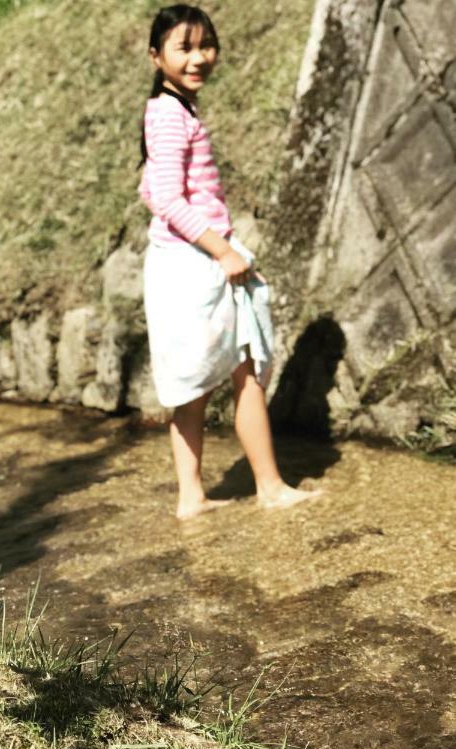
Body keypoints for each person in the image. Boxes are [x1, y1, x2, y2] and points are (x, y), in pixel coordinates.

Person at [138, 5, 320, 519]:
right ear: (156, 56)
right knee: (243, 371)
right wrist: (224, 250)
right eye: (184, 48)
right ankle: (269, 487)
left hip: (182, 261)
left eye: (205, 46)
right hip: (197, 263)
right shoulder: (171, 114)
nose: (198, 58)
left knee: (195, 384)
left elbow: (150, 189)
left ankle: (193, 496)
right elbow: (170, 200)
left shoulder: (169, 109)